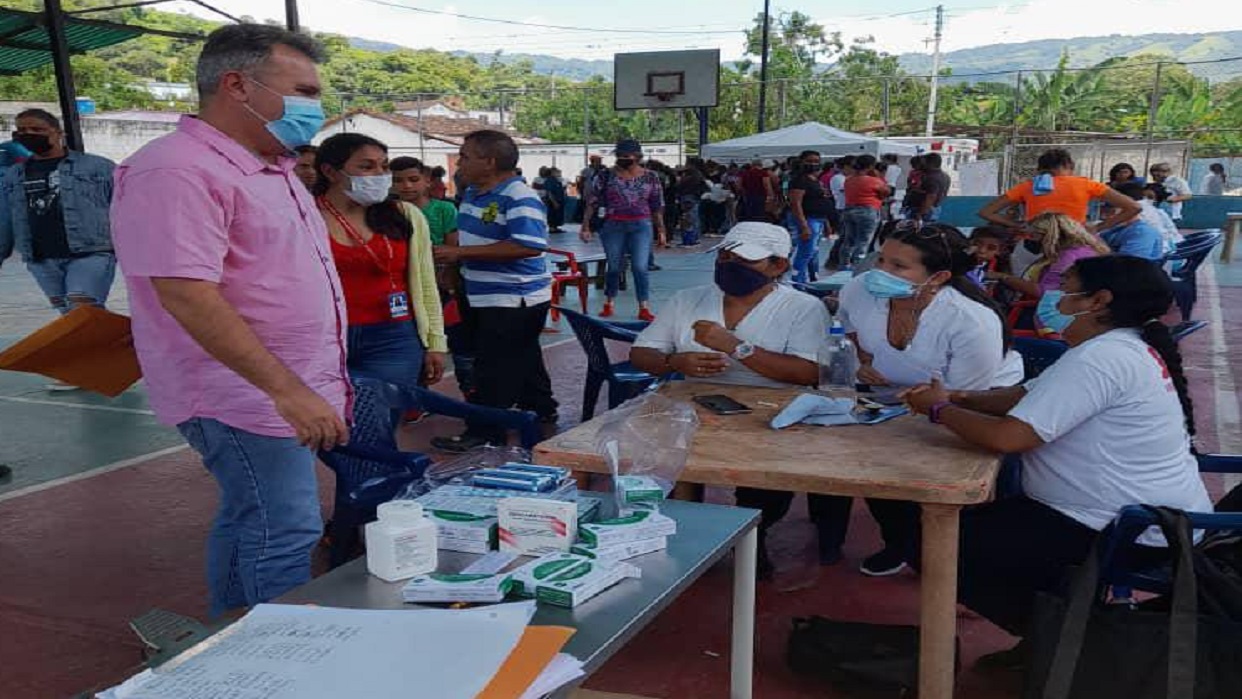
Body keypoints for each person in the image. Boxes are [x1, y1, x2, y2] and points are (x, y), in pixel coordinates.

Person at [110, 24, 348, 616]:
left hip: (281, 386)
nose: (315, 108)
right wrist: (287, 391)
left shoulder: (270, 167)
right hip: (244, 392)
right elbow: (187, 294)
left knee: (255, 515)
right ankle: (273, 652)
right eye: (304, 91)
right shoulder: (176, 170)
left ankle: (231, 634)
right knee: (284, 527)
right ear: (237, 86)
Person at [901, 255, 1211, 660]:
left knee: (932, 543)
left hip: (1122, 525)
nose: (1053, 301)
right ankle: (1056, 634)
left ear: (1098, 300)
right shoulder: (1118, 346)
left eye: (1064, 291)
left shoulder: (1101, 359)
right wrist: (958, 397)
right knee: (974, 526)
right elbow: (1024, 396)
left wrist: (937, 410)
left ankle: (1070, 644)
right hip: (1132, 512)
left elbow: (1008, 437)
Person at [814, 223, 1023, 576]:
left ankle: (947, 551)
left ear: (938, 277)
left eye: (898, 266)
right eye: (881, 259)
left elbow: (959, 401)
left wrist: (924, 407)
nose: (880, 271)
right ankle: (902, 542)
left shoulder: (972, 321)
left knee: (931, 470)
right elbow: (849, 328)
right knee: (870, 466)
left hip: (970, 401)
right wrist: (863, 360)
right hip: (892, 397)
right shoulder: (859, 290)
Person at [628, 222, 830, 578]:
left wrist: (736, 347)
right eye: (724, 256)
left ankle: (753, 535)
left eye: (744, 260)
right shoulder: (687, 299)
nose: (729, 265)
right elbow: (641, 353)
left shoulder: (802, 307)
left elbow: (808, 372)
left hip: (773, 410)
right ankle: (684, 530)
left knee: (765, 482)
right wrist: (674, 362)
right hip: (696, 405)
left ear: (778, 265)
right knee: (662, 460)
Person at [431, 130, 558, 452]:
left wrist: (459, 254)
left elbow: (529, 245)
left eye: (465, 157)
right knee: (524, 354)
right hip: (481, 292)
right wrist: (455, 268)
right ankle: (540, 407)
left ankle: (486, 430)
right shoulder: (473, 194)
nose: (459, 163)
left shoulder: (519, 196)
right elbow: (471, 238)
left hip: (513, 297)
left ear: (489, 162)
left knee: (492, 365)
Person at [313, 133, 446, 393]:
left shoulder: (405, 214)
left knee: (385, 410)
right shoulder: (304, 215)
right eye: (367, 166)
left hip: (394, 335)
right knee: (329, 414)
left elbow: (425, 283)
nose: (380, 174)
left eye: (384, 166)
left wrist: (435, 342)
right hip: (324, 337)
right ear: (330, 171)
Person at [0, 108, 118, 391]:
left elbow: (125, 207)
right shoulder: (13, 175)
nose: (28, 134)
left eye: (37, 130)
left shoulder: (99, 167)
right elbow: (6, 217)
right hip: (41, 256)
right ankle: (107, 358)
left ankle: (83, 367)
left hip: (91, 250)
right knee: (71, 314)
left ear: (58, 133)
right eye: (21, 130)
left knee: (81, 304)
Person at [390, 156, 473, 397]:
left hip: (443, 286)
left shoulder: (445, 209)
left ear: (427, 180)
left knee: (458, 342)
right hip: (406, 288)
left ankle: (471, 391)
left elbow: (452, 249)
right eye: (398, 180)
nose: (406, 186)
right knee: (413, 341)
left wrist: (448, 278)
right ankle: (417, 398)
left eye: (413, 179)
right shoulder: (387, 212)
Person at [579, 138, 667, 321]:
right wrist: (585, 226)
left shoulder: (651, 177)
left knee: (640, 267)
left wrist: (661, 230)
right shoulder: (605, 176)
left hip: (641, 225)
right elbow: (592, 201)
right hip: (613, 225)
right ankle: (609, 301)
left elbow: (656, 205)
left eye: (627, 156)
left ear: (637, 157)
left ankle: (643, 306)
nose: (623, 159)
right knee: (614, 266)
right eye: (620, 155)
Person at [988, 212, 1108, 321]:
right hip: (1083, 309)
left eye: (1033, 236)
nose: (1029, 240)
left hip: (1062, 314)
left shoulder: (1065, 258)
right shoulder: (1088, 247)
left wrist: (1003, 277)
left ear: (1048, 236)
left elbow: (1044, 292)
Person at [978, 149, 1138, 229]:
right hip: (1074, 240)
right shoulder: (1087, 184)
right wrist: (1096, 228)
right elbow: (1134, 207)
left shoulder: (1028, 186)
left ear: (1040, 169)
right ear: (1069, 165)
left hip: (1036, 242)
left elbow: (985, 212)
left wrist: (1019, 225)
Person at [786, 150, 831, 284]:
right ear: (801, 162)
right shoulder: (799, 180)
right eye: (809, 161)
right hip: (809, 219)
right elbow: (796, 203)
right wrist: (804, 225)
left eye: (816, 161)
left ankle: (813, 279)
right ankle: (797, 280)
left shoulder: (815, 179)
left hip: (818, 219)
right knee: (806, 252)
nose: (813, 164)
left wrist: (826, 223)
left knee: (813, 252)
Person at [839, 154, 891, 268]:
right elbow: (886, 192)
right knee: (863, 241)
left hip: (849, 210)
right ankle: (858, 266)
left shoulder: (849, 180)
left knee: (849, 240)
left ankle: (844, 265)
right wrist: (879, 177)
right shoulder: (874, 180)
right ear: (871, 166)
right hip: (867, 210)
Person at [1097, 181, 1168, 261]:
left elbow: (1130, 264)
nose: (1103, 216)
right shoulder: (1114, 229)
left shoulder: (1142, 232)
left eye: (1111, 209)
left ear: (1129, 208)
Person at [905, 152, 950, 222]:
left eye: (924, 162)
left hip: (923, 209)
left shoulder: (932, 177)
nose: (922, 165)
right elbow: (943, 194)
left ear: (930, 163)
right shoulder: (945, 176)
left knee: (916, 228)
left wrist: (921, 213)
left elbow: (931, 196)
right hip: (934, 208)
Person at [675, 160, 709, 246]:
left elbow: (681, 185)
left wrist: (680, 181)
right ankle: (694, 238)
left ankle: (690, 239)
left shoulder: (692, 175)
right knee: (693, 218)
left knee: (689, 218)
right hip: (693, 197)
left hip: (689, 197)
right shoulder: (698, 174)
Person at [544, 166, 567, 233]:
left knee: (557, 215)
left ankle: (555, 227)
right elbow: (549, 192)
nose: (559, 172)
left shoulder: (556, 180)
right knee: (552, 214)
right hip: (553, 202)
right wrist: (554, 202)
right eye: (557, 171)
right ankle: (552, 228)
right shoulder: (550, 180)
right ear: (552, 172)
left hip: (558, 201)